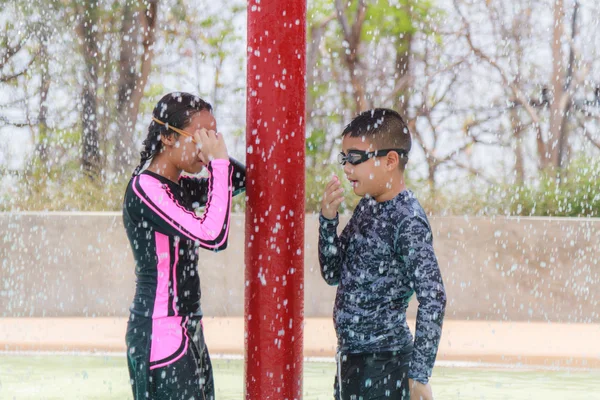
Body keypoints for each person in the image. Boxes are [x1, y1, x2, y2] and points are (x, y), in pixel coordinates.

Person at [122, 92, 245, 400]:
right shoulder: (145, 188)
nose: (205, 143)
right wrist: (216, 162)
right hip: (159, 331)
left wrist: (213, 155)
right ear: (166, 136)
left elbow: (240, 179)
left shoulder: (181, 185)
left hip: (189, 327)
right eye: (198, 136)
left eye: (212, 135)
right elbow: (214, 236)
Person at [318, 108, 446, 400]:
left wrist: (419, 375)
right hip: (353, 360)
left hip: (385, 364)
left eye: (355, 158)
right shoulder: (369, 206)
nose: (347, 168)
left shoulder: (407, 219)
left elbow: (434, 296)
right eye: (344, 158)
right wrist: (327, 220)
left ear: (390, 161)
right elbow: (332, 273)